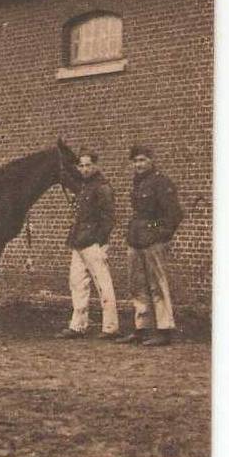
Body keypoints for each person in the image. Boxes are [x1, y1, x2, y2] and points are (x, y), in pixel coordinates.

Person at [116, 145, 184, 347]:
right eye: (136, 161)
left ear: (152, 161)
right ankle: (142, 327)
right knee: (136, 285)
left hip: (152, 242)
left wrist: (156, 233)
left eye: (143, 160)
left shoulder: (161, 183)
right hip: (136, 239)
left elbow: (173, 215)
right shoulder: (138, 183)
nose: (139, 164)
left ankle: (164, 329)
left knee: (157, 285)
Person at [57, 150, 119, 340]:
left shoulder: (102, 187)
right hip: (79, 242)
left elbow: (108, 218)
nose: (84, 169)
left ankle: (110, 327)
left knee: (103, 284)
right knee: (77, 283)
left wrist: (99, 241)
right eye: (81, 166)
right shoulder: (84, 187)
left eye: (88, 165)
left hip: (93, 243)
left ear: (96, 165)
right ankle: (78, 325)